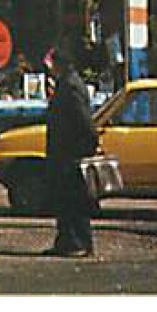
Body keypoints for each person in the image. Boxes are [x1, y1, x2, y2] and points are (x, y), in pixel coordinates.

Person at [43, 45, 97, 257]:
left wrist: (89, 144)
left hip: (69, 153)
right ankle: (68, 241)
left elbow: (83, 120)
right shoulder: (68, 83)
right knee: (68, 200)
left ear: (60, 65)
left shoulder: (70, 86)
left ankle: (77, 241)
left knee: (71, 200)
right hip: (67, 152)